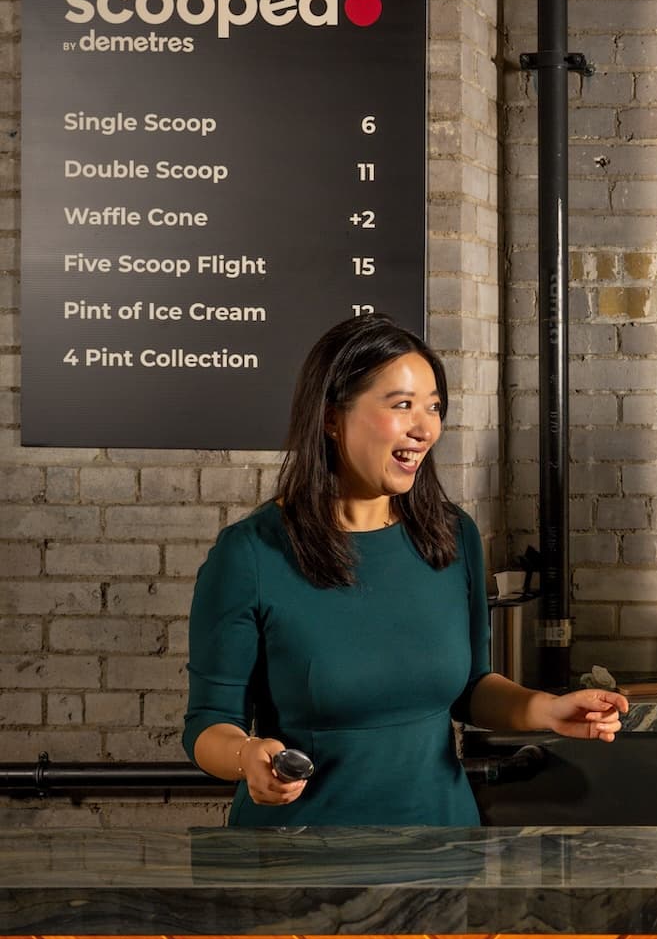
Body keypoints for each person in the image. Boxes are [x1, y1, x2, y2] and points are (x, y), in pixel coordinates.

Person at [183, 315, 627, 826]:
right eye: (402, 406)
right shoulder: (251, 554)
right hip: (300, 856)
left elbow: (470, 688)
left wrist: (546, 710)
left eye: (434, 407)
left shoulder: (451, 536)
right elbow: (208, 726)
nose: (424, 427)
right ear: (331, 417)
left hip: (441, 845)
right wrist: (247, 758)